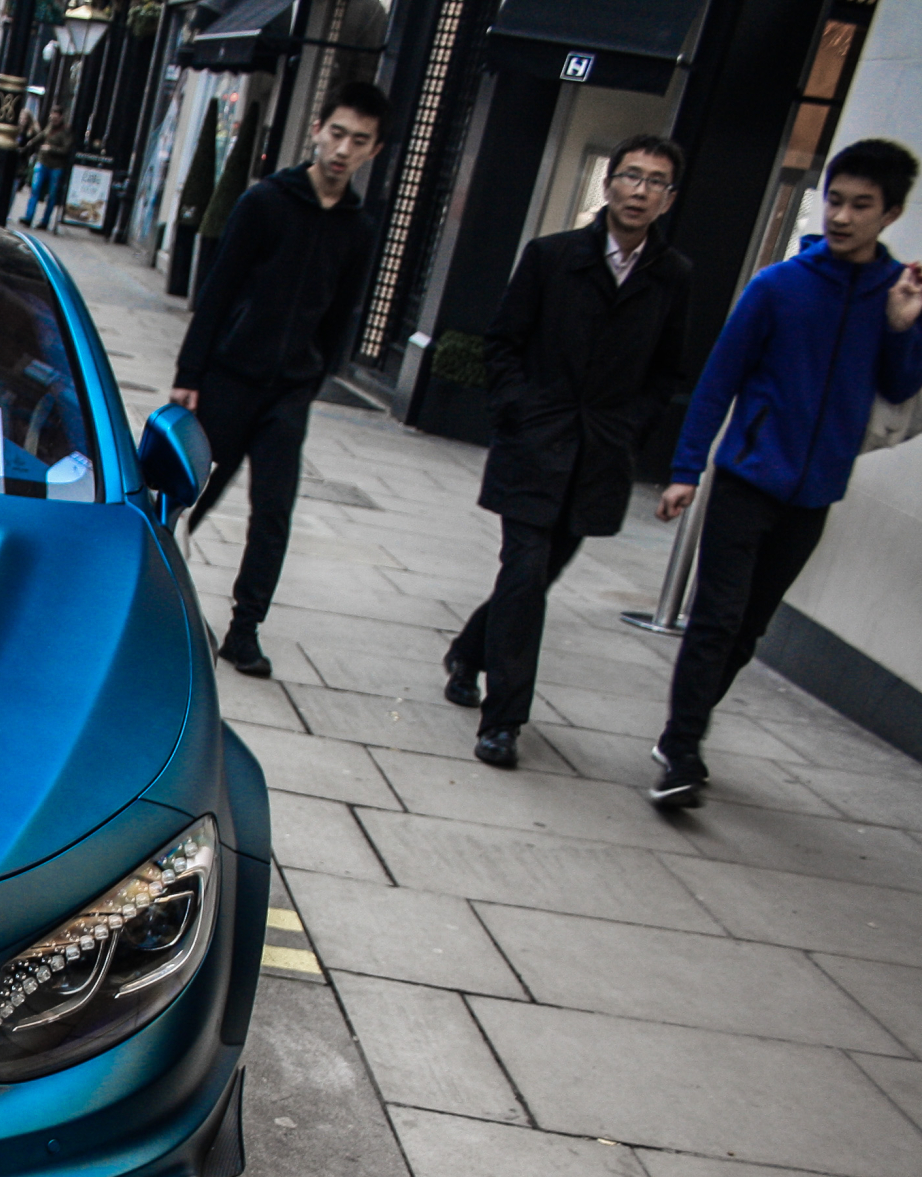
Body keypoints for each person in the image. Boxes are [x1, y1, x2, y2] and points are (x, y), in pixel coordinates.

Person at [646, 138, 922, 808]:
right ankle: (681, 750)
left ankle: (681, 726)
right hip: (747, 478)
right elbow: (718, 380)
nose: (842, 216)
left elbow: (901, 383)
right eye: (835, 199)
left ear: (890, 214)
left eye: (861, 205)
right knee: (715, 618)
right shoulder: (778, 287)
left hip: (815, 493)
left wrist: (901, 326)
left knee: (748, 629)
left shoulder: (897, 294)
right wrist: (687, 469)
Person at [442, 136, 694, 768]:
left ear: (668, 199)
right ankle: (503, 722)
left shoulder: (673, 278)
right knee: (525, 575)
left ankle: (469, 650)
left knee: (537, 577)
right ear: (608, 185)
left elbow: (667, 374)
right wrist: (519, 412)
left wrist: (631, 429)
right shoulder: (551, 257)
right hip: (535, 445)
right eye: (630, 176)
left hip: (598, 458)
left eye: (654, 181)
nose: (639, 190)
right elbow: (503, 343)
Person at [173, 81, 386, 677]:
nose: (343, 149)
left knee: (274, 510)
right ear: (317, 129)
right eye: (337, 133)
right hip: (229, 378)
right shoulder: (264, 203)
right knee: (190, 499)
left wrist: (313, 379)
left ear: (374, 150)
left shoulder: (360, 227)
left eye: (359, 141)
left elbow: (343, 312)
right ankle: (154, 603)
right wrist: (191, 373)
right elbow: (216, 292)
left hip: (290, 390)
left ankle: (245, 630)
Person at [23, 105, 74, 229]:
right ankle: (28, 217)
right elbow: (42, 135)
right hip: (42, 161)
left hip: (56, 166)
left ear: (61, 117)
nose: (53, 119)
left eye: (56, 117)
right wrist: (30, 143)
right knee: (35, 189)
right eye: (52, 116)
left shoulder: (65, 131)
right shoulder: (50, 126)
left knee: (51, 195)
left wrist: (51, 149)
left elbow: (66, 150)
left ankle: (45, 221)